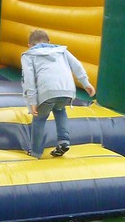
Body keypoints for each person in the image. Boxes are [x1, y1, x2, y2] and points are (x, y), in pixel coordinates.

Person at [21, 29, 96, 158]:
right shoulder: (61, 50)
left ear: (29, 45)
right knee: (60, 110)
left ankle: (35, 152)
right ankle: (64, 141)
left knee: (39, 118)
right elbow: (76, 65)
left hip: (47, 91)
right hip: (67, 89)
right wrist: (86, 83)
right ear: (49, 42)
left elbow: (29, 79)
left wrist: (32, 101)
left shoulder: (29, 55)